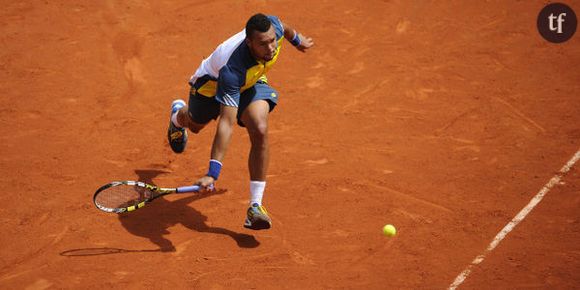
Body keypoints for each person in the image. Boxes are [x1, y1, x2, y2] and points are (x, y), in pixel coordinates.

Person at [166, 13, 314, 230]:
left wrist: (297, 39)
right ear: (249, 42)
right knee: (195, 125)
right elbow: (227, 122)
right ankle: (177, 117)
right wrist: (212, 173)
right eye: (263, 44)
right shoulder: (232, 70)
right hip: (211, 86)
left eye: (273, 40)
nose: (271, 48)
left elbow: (284, 27)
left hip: (251, 82)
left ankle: (256, 206)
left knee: (260, 128)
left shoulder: (275, 29)